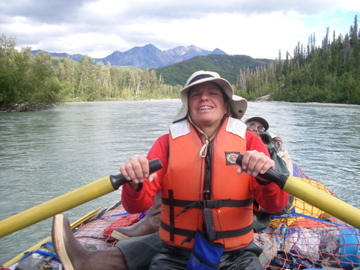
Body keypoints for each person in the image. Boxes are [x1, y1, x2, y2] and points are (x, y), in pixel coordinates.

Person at [52, 70, 289, 270]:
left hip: (236, 254)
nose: (203, 98)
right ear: (188, 104)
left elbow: (276, 206)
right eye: (196, 94)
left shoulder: (250, 142)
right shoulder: (166, 144)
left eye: (212, 93)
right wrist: (134, 183)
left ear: (226, 103)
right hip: (176, 253)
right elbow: (136, 206)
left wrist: (266, 178)